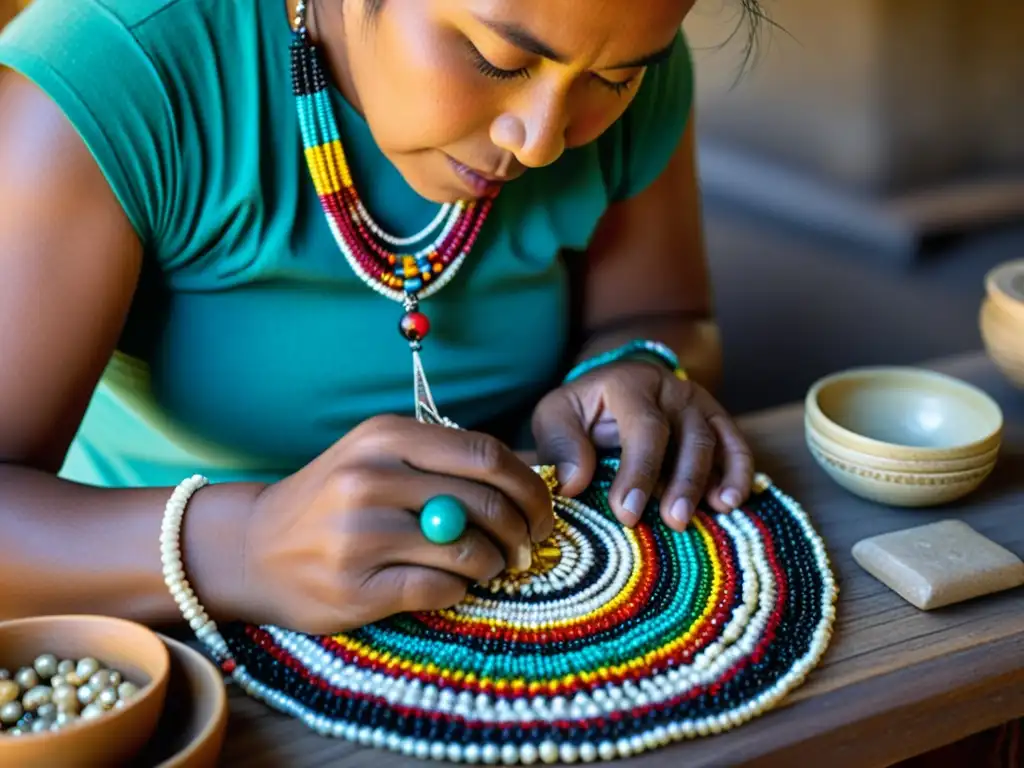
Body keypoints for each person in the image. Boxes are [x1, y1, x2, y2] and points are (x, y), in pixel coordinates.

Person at [0, 0, 757, 635]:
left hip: (510, 620)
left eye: (612, 79)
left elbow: (665, 317)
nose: (543, 136)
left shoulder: (610, 26)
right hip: (162, 639)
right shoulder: (119, 71)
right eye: (497, 59)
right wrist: (244, 548)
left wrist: (634, 370)